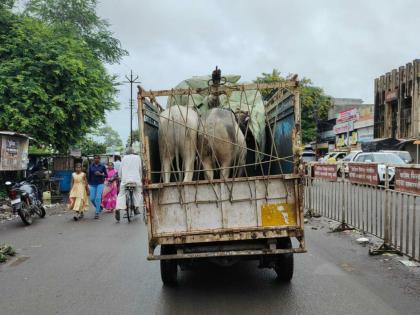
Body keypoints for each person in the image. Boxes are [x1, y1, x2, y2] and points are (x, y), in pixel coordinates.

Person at [115, 147, 142, 221]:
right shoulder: (138, 157)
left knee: (121, 194)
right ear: (133, 152)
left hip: (125, 180)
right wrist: (140, 178)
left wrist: (120, 177)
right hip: (136, 180)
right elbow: (140, 169)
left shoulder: (124, 158)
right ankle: (136, 207)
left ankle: (118, 208)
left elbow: (120, 170)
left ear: (127, 152)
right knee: (138, 192)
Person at [88, 155, 107, 219]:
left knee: (98, 197)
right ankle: (99, 207)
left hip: (100, 183)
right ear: (93, 159)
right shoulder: (91, 166)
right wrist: (88, 184)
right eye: (95, 158)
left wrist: (101, 174)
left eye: (97, 158)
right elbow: (89, 175)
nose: (96, 159)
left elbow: (106, 175)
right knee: (92, 198)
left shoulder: (102, 166)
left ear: (99, 159)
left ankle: (97, 213)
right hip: (92, 184)